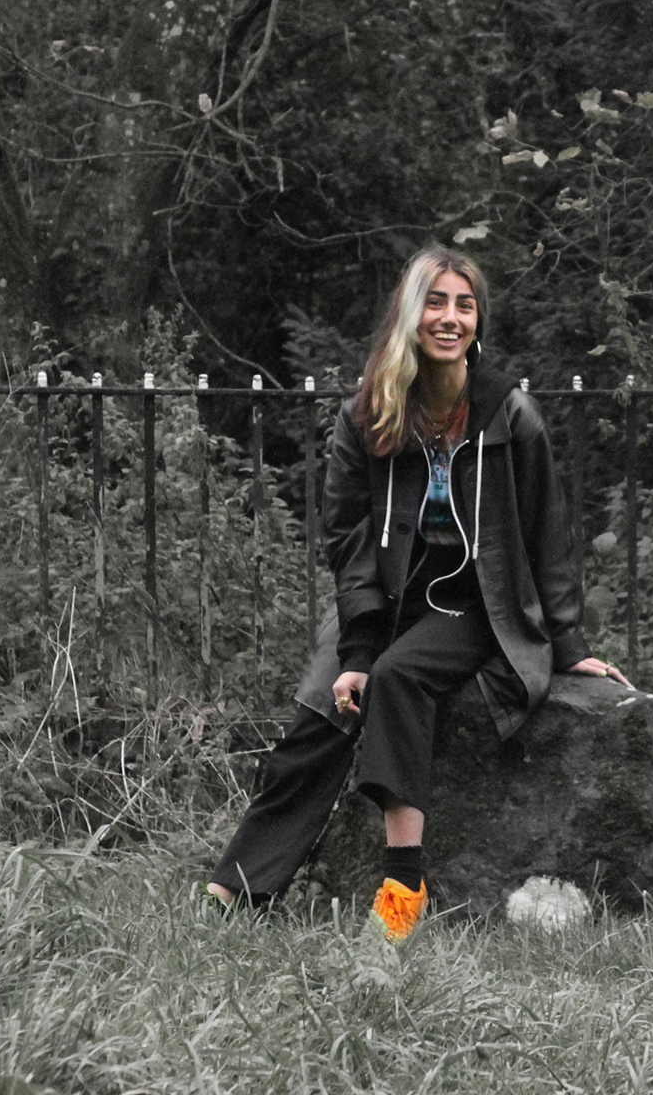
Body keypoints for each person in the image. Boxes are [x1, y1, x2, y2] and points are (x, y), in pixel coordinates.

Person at [206, 245, 626, 940]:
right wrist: (357, 648)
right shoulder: (368, 415)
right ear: (410, 315)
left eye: (464, 304)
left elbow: (549, 533)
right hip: (389, 596)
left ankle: (403, 890)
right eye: (436, 302)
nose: (450, 317)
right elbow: (348, 541)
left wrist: (569, 644)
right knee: (321, 711)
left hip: (474, 600)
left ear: (477, 320)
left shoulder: (510, 414)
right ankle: (237, 886)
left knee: (396, 680)